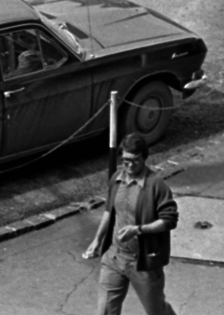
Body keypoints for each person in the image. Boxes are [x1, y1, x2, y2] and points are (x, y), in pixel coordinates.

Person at [82, 132, 180, 313]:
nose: (129, 165)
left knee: (156, 310)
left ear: (144, 158)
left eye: (135, 160)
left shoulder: (155, 185)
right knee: (105, 311)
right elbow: (108, 212)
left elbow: (169, 220)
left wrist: (138, 230)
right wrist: (97, 240)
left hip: (142, 262)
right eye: (125, 160)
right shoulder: (116, 179)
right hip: (114, 256)